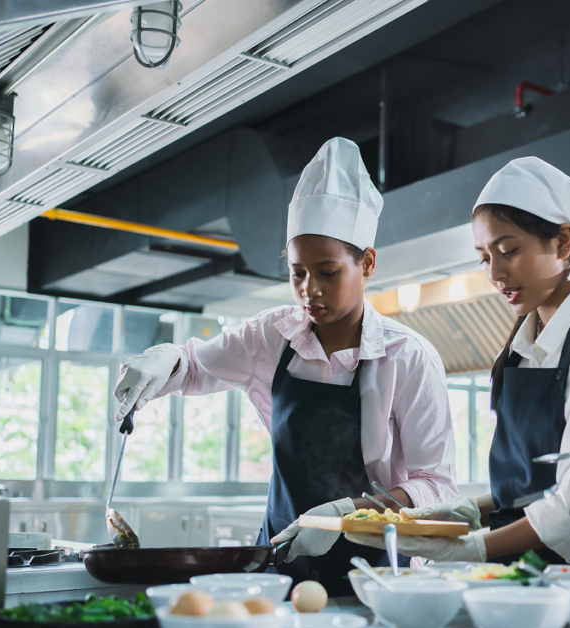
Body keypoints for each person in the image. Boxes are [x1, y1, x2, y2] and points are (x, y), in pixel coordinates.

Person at [112, 137, 458, 595]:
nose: (309, 290)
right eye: (297, 273)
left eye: (328, 272)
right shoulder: (269, 337)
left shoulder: (408, 357)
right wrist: (160, 361)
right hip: (277, 568)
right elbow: (195, 365)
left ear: (367, 263)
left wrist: (347, 514)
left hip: (376, 578)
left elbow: (437, 486)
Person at [349, 157, 570, 572]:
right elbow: (530, 487)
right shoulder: (522, 347)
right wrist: (469, 512)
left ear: (564, 242)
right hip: (517, 579)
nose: (495, 273)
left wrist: (475, 546)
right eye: (484, 257)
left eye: (508, 250)